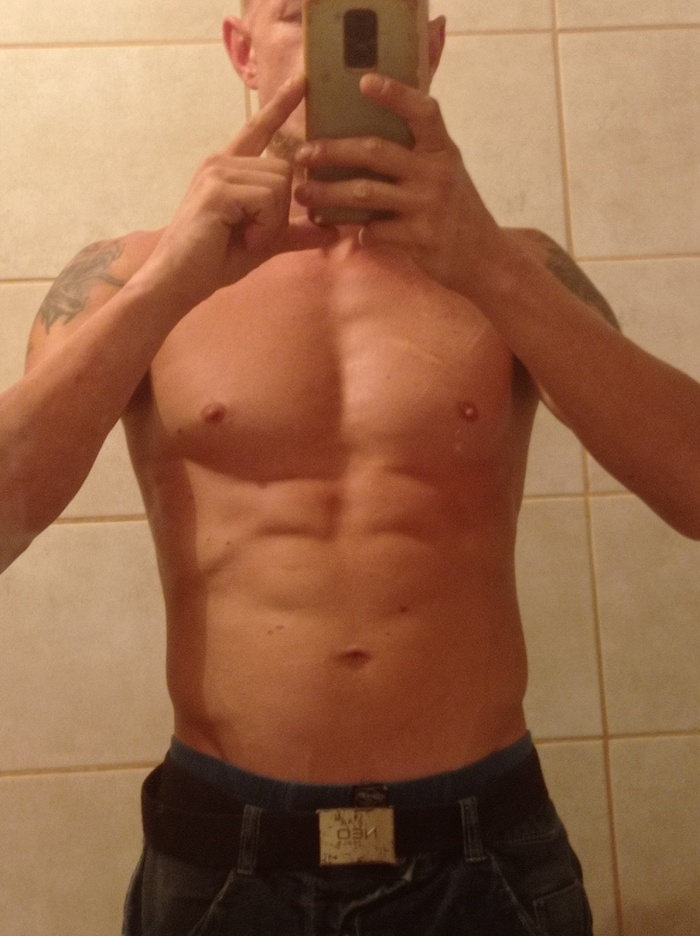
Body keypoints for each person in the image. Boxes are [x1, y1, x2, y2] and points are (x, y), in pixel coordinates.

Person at [19, 0, 700, 933]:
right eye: (297, 14)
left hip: (483, 846)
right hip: (225, 849)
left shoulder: (518, 269)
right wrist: (170, 284)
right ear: (242, 50)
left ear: (430, 48)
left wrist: (490, 271)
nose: (331, 44)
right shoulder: (131, 273)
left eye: (368, 12)